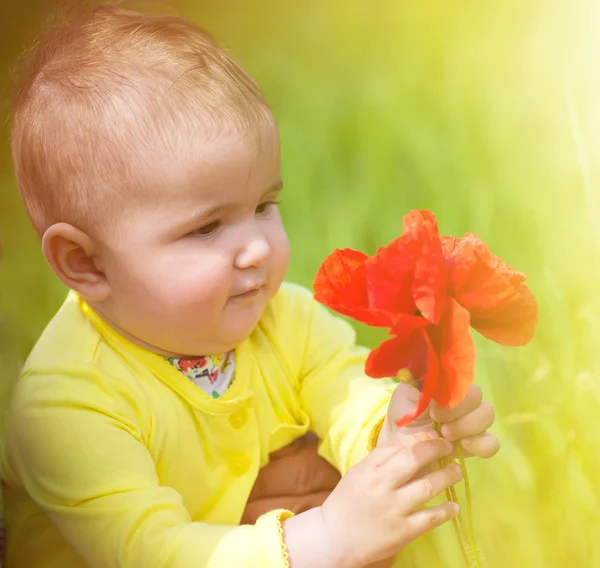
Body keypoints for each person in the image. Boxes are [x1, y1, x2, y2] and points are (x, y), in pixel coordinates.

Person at [1, 4, 500, 567]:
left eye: (265, 205)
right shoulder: (66, 403)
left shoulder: (283, 319)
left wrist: (402, 430)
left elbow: (344, 390)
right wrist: (330, 536)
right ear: (86, 263)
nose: (259, 246)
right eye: (207, 227)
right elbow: (150, 554)